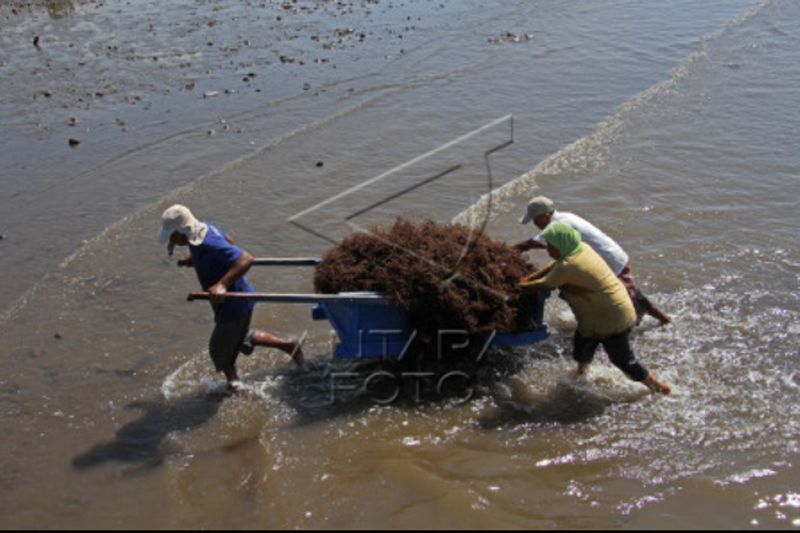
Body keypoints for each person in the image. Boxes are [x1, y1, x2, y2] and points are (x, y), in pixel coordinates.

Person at [157, 204, 304, 387]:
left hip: (234, 302)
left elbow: (246, 259)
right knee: (239, 337)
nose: (172, 241)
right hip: (236, 301)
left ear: (181, 231)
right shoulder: (203, 230)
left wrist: (222, 284)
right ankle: (290, 346)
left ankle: (235, 387)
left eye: (172, 236)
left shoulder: (208, 243)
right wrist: (195, 259)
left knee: (219, 349)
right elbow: (230, 242)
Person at [519, 222, 671, 395]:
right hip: (606, 313)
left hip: (611, 319)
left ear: (561, 244)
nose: (548, 250)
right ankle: (582, 373)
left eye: (550, 246)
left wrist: (518, 286)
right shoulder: (581, 248)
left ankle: (657, 387)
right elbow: (552, 266)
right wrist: (529, 278)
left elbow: (544, 284)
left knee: (622, 360)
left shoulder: (569, 266)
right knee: (582, 344)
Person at [514, 195, 671, 325]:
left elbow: (530, 244)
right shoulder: (567, 216)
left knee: (632, 301)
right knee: (573, 291)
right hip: (606, 257)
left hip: (611, 262)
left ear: (545, 215)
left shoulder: (557, 226)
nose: (535, 224)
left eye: (535, 220)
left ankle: (662, 321)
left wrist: (510, 250)